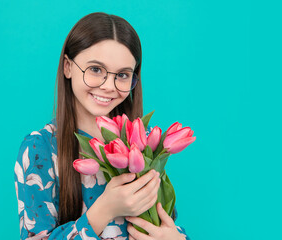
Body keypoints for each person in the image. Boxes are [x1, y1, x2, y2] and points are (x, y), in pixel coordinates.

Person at [14, 12, 190, 240]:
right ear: (68, 67)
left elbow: (164, 219)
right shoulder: (40, 149)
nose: (109, 86)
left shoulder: (142, 142)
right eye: (96, 70)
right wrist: (105, 209)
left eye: (123, 74)